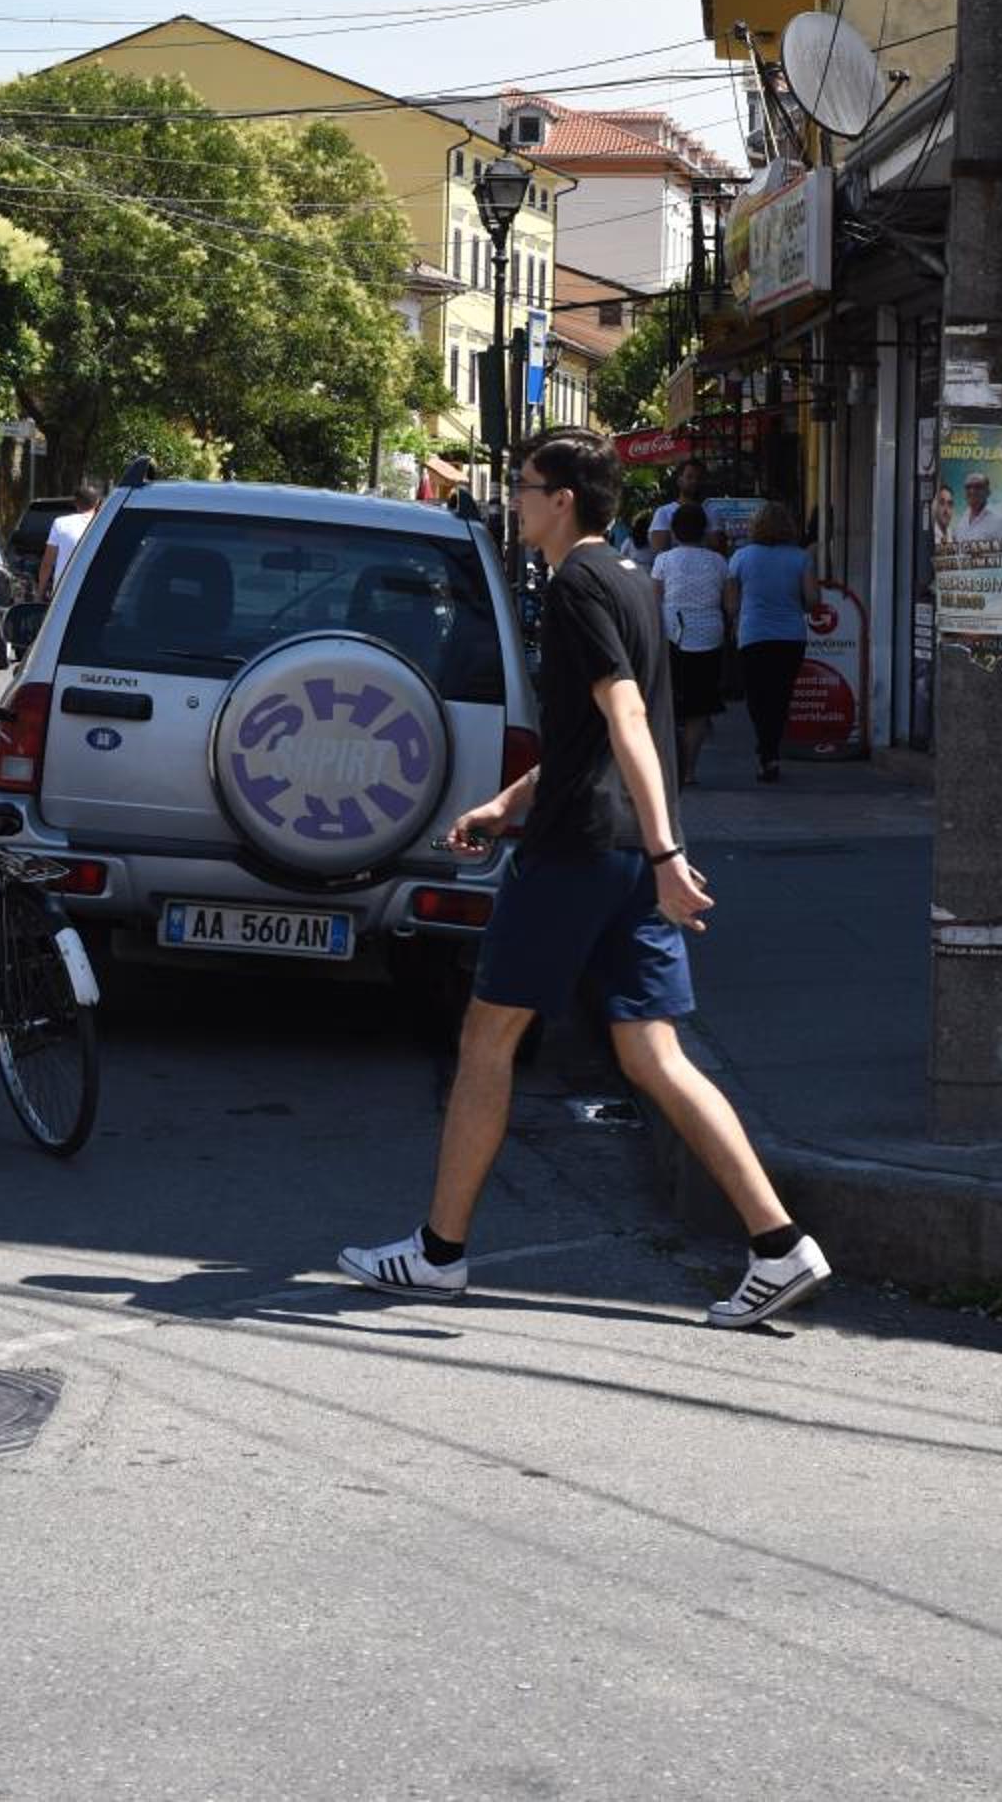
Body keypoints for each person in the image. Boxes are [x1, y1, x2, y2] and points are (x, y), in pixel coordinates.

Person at [338, 427, 831, 1330]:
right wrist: (509, 803)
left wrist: (666, 855)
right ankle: (779, 1244)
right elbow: (590, 740)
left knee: (487, 1038)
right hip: (622, 846)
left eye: (524, 486)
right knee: (652, 1054)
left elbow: (627, 714)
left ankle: (439, 1254)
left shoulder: (573, 586)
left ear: (562, 499)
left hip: (584, 851)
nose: (515, 501)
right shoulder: (636, 581)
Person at [728, 499, 819, 784]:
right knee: (780, 697)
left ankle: (766, 751)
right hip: (790, 636)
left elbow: (731, 604)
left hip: (753, 635)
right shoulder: (801, 558)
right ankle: (771, 751)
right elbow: (813, 600)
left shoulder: (740, 557)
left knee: (757, 697)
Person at [651, 500, 731, 789]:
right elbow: (731, 605)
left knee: (668, 703)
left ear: (674, 531)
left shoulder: (663, 561)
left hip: (671, 637)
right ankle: (689, 771)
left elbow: (654, 601)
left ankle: (669, 766)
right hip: (708, 637)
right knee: (700, 708)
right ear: (705, 530)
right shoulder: (719, 562)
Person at [645, 455, 726, 556]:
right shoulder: (663, 512)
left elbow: (717, 546)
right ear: (679, 481)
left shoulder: (712, 511)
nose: (694, 481)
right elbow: (659, 547)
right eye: (689, 477)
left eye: (699, 478)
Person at [37, 480, 104, 601]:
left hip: (63, 596)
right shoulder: (105, 524)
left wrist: (40, 594)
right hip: (96, 594)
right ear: (98, 502)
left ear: (75, 503)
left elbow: (48, 563)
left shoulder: (61, 523)